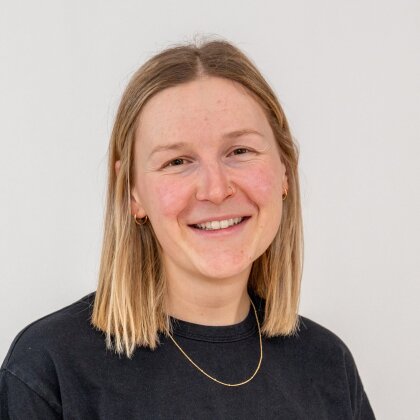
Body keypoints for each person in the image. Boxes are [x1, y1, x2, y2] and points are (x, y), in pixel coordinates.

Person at [0, 37, 375, 419]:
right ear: (132, 192)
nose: (216, 189)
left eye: (240, 151)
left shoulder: (328, 366)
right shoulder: (50, 370)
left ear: (284, 171)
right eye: (177, 161)